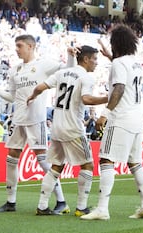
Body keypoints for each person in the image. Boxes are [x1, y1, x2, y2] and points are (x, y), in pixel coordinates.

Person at [0, 34, 74, 214]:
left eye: (19, 46)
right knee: (11, 158)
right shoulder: (15, 71)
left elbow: (68, 71)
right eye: (16, 46)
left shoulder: (43, 65)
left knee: (43, 160)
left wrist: (71, 55)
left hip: (36, 119)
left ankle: (61, 200)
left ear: (30, 46)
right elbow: (12, 96)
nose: (16, 49)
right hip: (18, 120)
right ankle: (10, 202)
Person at [81, 24, 143, 220]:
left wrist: (105, 113)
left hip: (120, 118)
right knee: (136, 163)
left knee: (106, 159)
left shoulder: (118, 64)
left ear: (116, 43)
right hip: (136, 119)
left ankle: (102, 209)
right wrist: (110, 57)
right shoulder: (134, 62)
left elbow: (119, 89)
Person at [27, 45, 108, 216]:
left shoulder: (62, 73)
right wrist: (108, 98)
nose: (96, 63)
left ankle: (42, 206)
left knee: (56, 166)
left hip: (57, 127)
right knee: (87, 165)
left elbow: (40, 87)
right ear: (85, 59)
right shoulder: (85, 77)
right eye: (94, 59)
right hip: (73, 127)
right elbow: (86, 99)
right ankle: (81, 207)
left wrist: (33, 96)